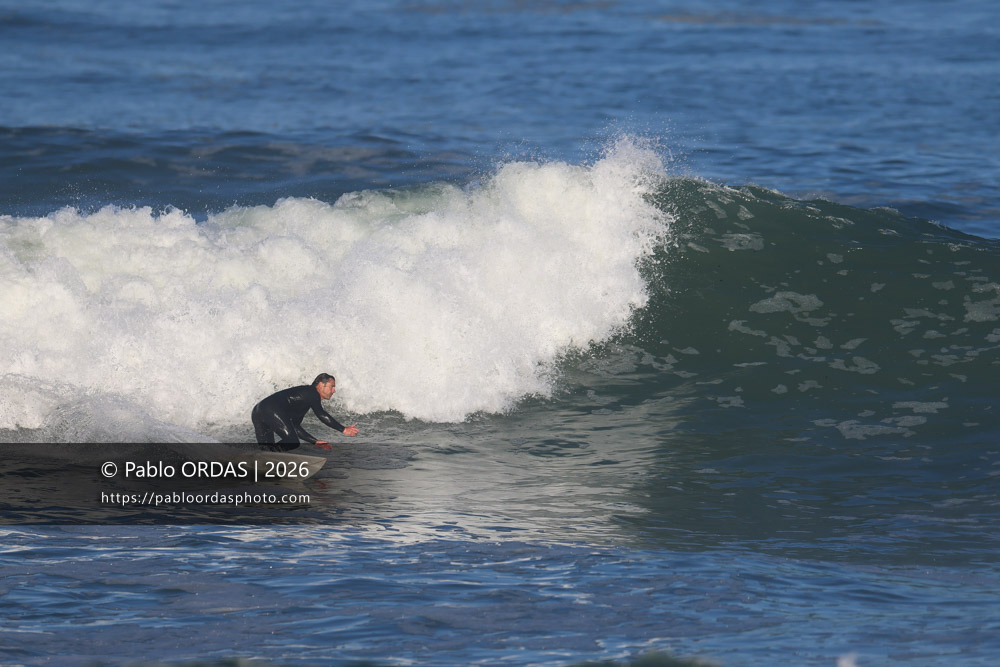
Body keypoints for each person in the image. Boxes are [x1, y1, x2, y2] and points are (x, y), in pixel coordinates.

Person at [251, 373, 359, 451]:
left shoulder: (303, 399)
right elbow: (321, 414)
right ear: (321, 385)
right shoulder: (312, 392)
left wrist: (314, 441)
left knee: (266, 449)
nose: (334, 390)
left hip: (258, 410)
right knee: (292, 442)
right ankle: (270, 455)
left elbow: (295, 427)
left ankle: (256, 458)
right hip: (270, 409)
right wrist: (343, 429)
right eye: (332, 387)